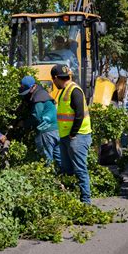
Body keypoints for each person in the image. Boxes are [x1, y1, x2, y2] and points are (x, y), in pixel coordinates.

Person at [51, 64, 92, 204]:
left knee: (80, 170)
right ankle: (70, 197)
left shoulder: (74, 90)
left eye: (53, 80)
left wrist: (73, 134)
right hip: (66, 137)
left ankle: (86, 202)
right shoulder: (64, 91)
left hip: (77, 136)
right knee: (67, 169)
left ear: (56, 78)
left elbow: (79, 114)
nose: (54, 83)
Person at [18, 76, 60, 164]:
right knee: (58, 157)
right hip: (56, 129)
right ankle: (62, 176)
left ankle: (48, 176)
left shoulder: (38, 98)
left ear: (34, 86)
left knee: (46, 158)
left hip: (46, 131)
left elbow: (36, 117)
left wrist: (24, 124)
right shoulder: (43, 93)